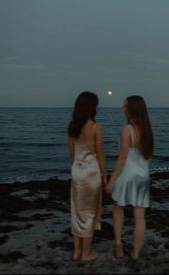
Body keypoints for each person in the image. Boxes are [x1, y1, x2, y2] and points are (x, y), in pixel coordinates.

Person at [106, 95, 154, 260]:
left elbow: (122, 157)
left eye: (125, 106)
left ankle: (119, 245)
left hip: (126, 175)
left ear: (132, 109)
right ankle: (135, 253)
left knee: (118, 208)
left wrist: (111, 180)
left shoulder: (127, 130)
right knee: (139, 216)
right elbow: (149, 157)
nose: (123, 109)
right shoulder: (147, 130)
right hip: (142, 176)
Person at [68, 91, 107, 261]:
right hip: (91, 173)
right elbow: (100, 155)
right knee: (90, 212)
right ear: (92, 107)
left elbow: (71, 154)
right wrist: (105, 176)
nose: (98, 107)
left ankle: (76, 251)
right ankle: (86, 253)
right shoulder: (96, 127)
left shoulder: (72, 126)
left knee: (77, 211)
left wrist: (78, 166)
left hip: (77, 172)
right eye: (96, 104)